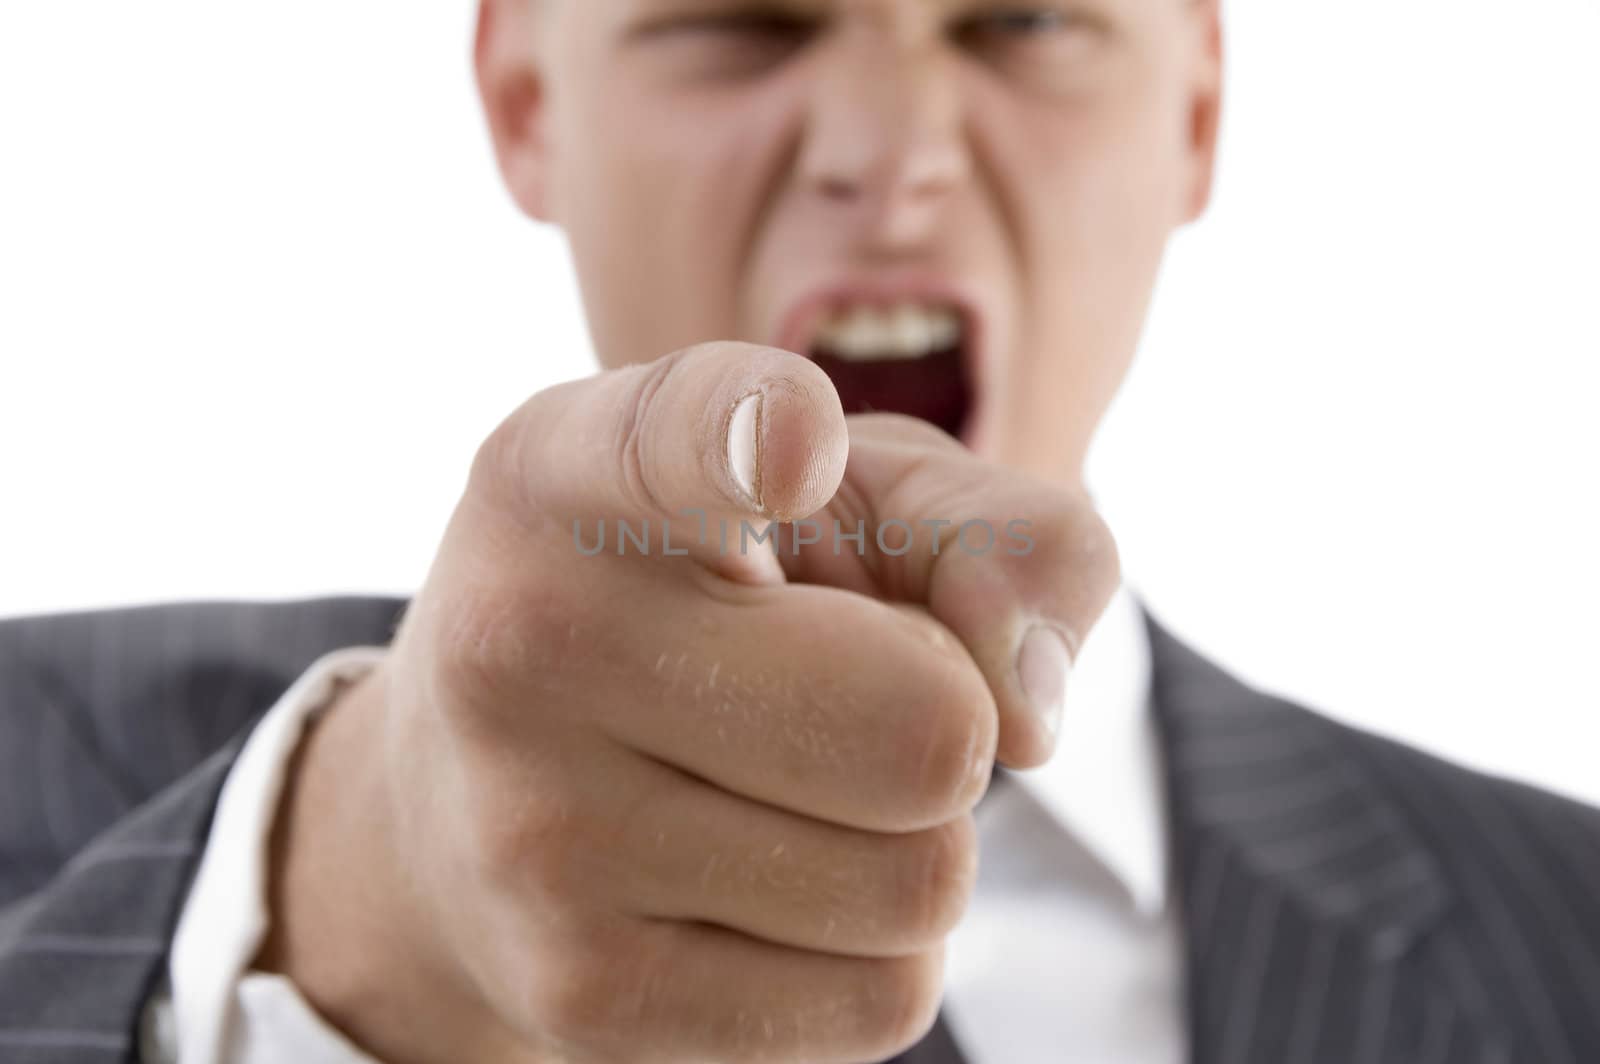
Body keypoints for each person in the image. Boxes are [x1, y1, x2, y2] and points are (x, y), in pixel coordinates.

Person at [3, 1, 1599, 1062]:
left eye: (1025, 19)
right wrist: (354, 903)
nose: (889, 160)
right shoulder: (38, 756)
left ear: (1198, 106)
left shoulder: (1567, 926)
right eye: (744, 18)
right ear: (522, 99)